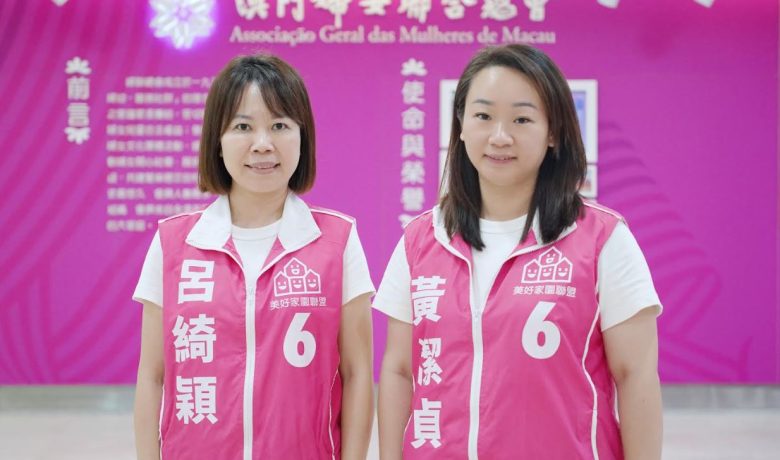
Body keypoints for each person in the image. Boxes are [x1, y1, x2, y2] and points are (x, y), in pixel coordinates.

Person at [375, 44, 663, 460]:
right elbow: (400, 370)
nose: (499, 137)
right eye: (483, 116)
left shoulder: (602, 238)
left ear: (553, 132)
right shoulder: (421, 239)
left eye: (522, 119)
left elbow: (635, 376)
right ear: (460, 125)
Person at [133, 54, 375, 460]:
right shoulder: (174, 242)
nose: (262, 144)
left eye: (279, 125)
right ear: (218, 140)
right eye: (243, 126)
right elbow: (152, 376)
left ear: (302, 137)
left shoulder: (337, 241)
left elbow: (357, 373)